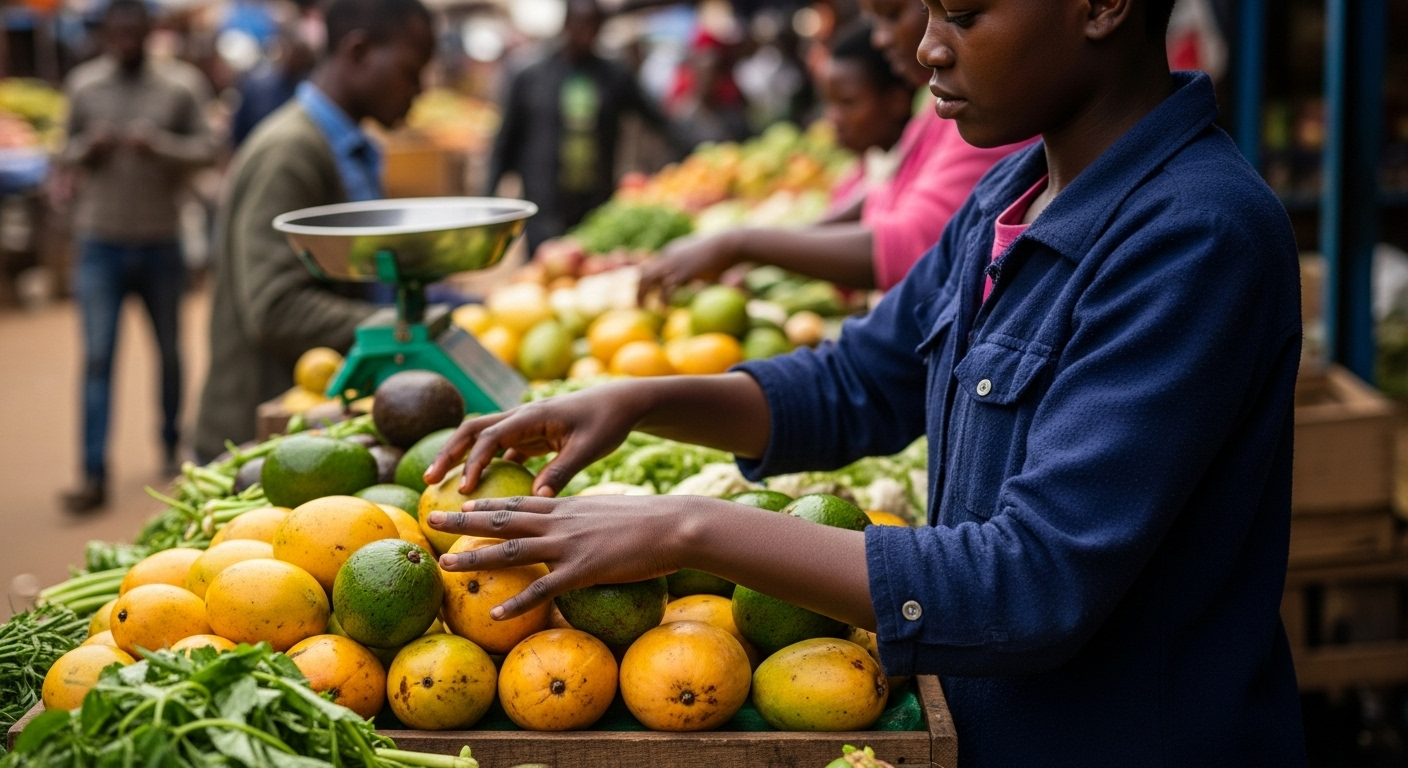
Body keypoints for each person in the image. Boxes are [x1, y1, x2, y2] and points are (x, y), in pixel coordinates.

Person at [422, 0, 1305, 764]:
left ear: (1102, 6)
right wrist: (643, 401)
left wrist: (684, 527)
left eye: (963, 15)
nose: (925, 47)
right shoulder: (1013, 193)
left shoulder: (1196, 237)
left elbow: (1034, 581)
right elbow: (859, 380)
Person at [637, 0, 1030, 297]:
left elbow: (909, 244)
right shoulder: (937, 109)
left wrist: (742, 244)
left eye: (960, 16)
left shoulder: (986, 118)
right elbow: (882, 193)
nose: (927, 48)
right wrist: (768, 249)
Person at [193, 0, 434, 462]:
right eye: (411, 70)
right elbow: (276, 307)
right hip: (262, 440)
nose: (418, 90)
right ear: (359, 52)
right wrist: (405, 330)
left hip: (314, 430)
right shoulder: (290, 154)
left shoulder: (352, 149)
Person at [59, 0, 217, 512]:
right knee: (99, 357)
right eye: (117, 29)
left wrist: (162, 147)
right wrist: (89, 148)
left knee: (168, 351)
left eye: (134, 28)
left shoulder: (180, 85)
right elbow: (62, 154)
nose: (125, 36)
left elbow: (210, 149)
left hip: (160, 241)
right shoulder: (84, 86)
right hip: (99, 241)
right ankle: (92, 473)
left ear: (149, 31)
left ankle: (172, 447)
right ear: (106, 32)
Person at [488, 0, 677, 253]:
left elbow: (659, 120)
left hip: (594, 206)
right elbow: (505, 142)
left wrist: (695, 147)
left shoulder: (614, 76)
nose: (587, 34)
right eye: (582, 24)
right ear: (567, 25)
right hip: (546, 207)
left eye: (594, 26)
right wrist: (490, 199)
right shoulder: (531, 76)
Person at [821, 21, 917, 215]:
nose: (833, 117)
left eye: (848, 103)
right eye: (830, 103)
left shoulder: (920, 176)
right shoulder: (856, 180)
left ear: (897, 101)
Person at [229, 30, 316, 148]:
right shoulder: (258, 86)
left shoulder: (313, 92)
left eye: (301, 53)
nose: (295, 57)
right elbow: (238, 132)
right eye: (292, 50)